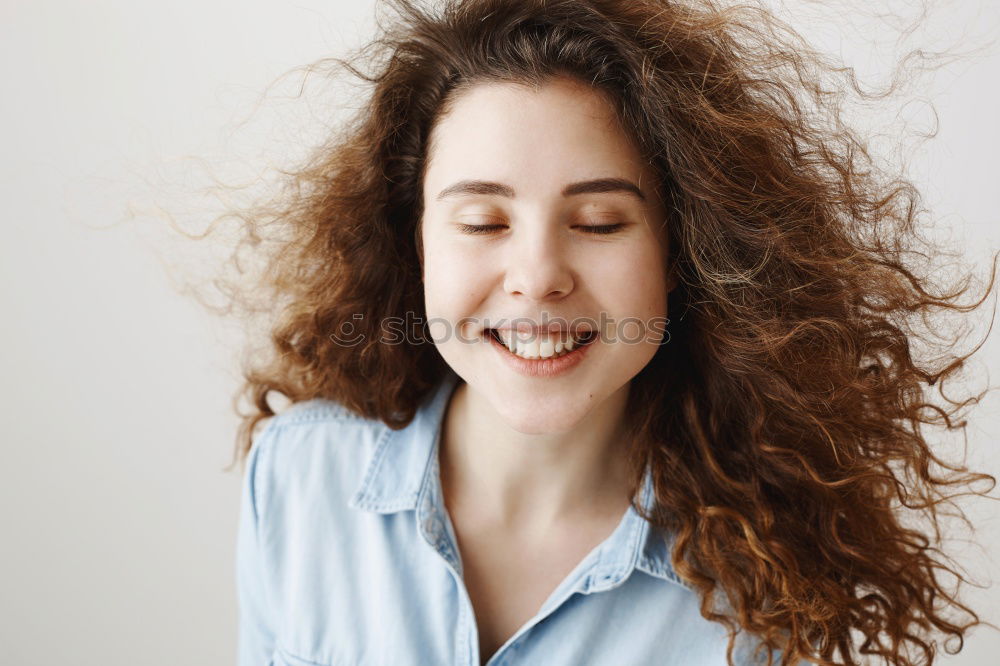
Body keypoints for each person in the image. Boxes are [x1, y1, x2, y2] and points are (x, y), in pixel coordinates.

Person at [226, 1, 998, 664]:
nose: (537, 275)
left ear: (678, 254)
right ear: (418, 242)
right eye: (483, 221)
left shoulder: (762, 586)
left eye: (598, 222)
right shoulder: (298, 478)